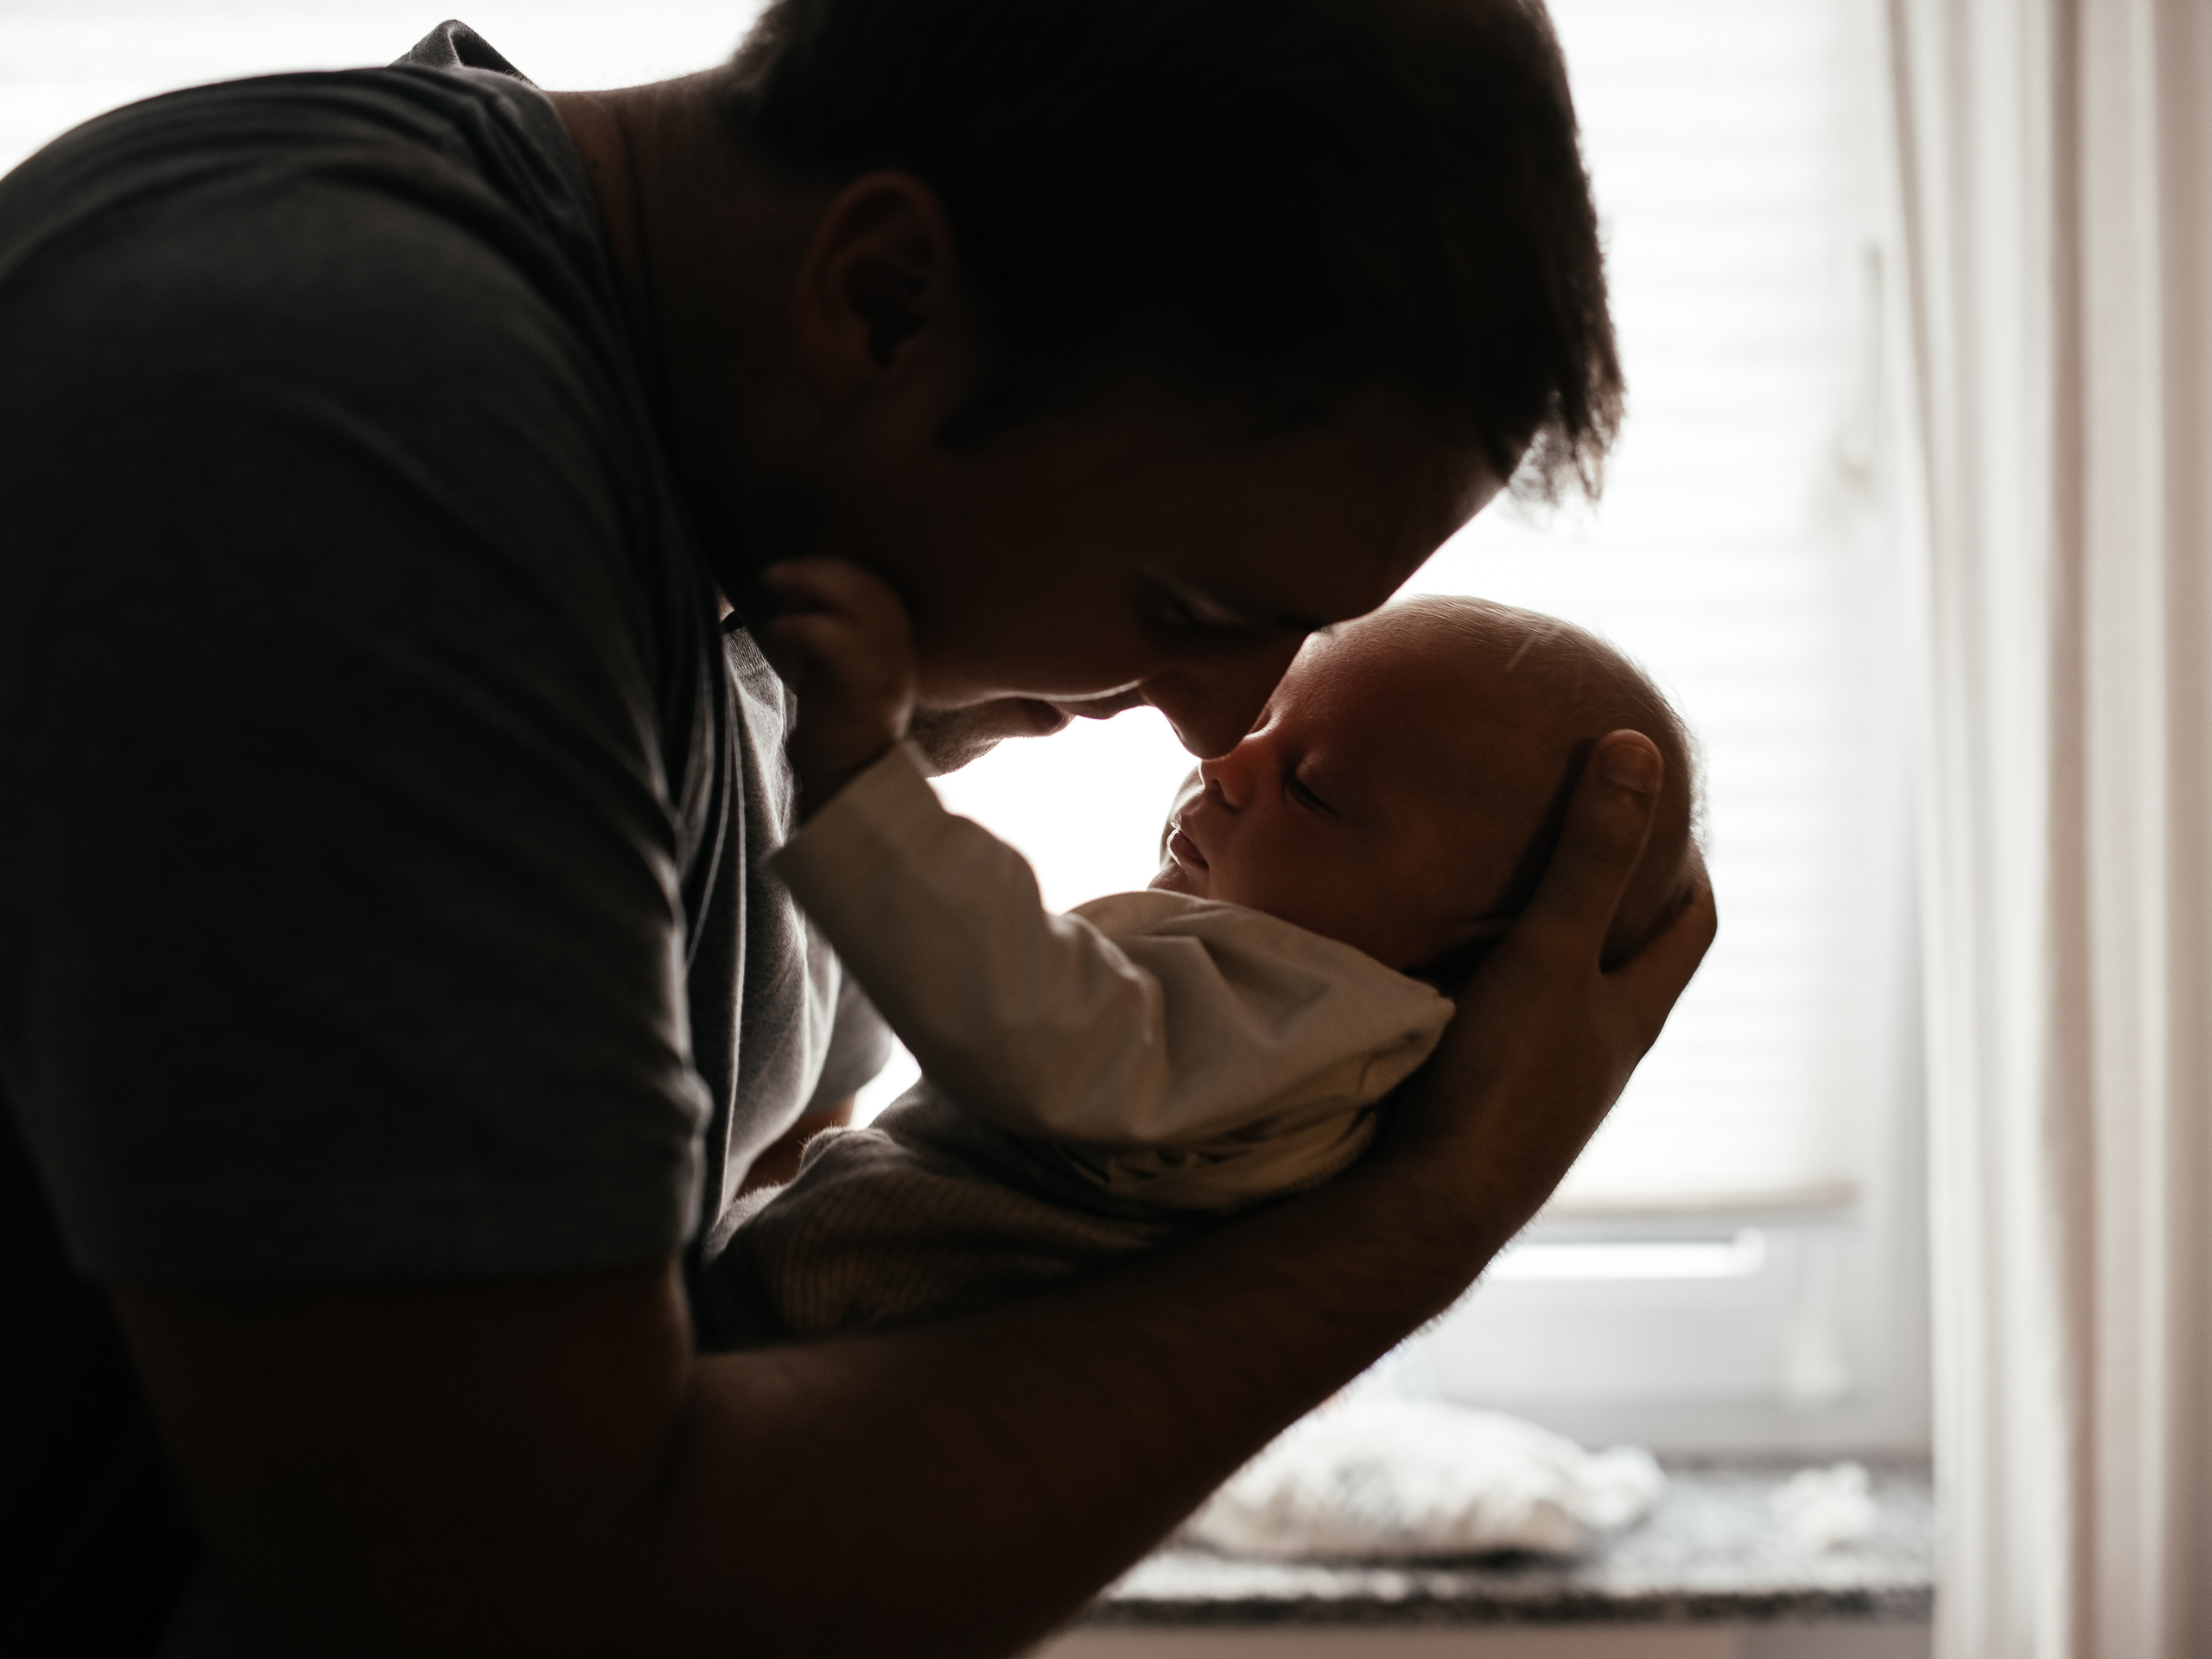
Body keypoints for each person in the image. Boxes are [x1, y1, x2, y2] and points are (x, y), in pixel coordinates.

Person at [0, 3, 1714, 1656]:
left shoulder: (677, 523)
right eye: (1187, 598)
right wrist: (1424, 1216)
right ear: (883, 302)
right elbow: (530, 1606)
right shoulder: (359, 445)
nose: (1214, 718)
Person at [706, 584, 1701, 1344]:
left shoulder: (1324, 1026)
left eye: (1310, 793)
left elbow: (1036, 1021)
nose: (1222, 757)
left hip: (835, 1357)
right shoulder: (1275, 1017)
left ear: (1467, 960)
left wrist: (861, 787)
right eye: (1267, 722)